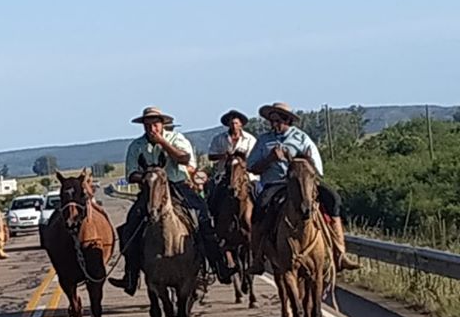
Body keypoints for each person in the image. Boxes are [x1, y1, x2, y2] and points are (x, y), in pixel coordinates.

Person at [109, 107, 235, 295]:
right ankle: (130, 275)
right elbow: (130, 174)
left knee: (202, 218)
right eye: (148, 124)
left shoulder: (177, 139)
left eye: (155, 124)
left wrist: (162, 142)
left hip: (178, 186)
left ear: (162, 124)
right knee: (130, 225)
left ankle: (218, 265)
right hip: (151, 189)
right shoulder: (136, 146)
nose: (152, 128)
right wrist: (145, 176)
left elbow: (184, 158)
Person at [245, 101, 360, 274]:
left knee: (333, 200)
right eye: (272, 120)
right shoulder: (263, 141)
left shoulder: (302, 138)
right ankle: (258, 257)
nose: (274, 124)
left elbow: (316, 167)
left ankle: (340, 253)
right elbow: (251, 167)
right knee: (260, 208)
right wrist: (269, 159)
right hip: (275, 184)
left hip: (304, 183)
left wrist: (301, 165)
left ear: (287, 120)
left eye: (278, 120)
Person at [206, 109, 258, 215]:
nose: (234, 126)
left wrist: (241, 159)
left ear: (241, 125)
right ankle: (211, 221)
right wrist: (224, 156)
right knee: (213, 199)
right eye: (231, 123)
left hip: (247, 177)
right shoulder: (219, 139)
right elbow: (211, 156)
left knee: (258, 197)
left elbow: (254, 158)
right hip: (224, 175)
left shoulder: (250, 139)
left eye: (236, 123)